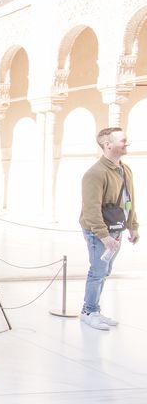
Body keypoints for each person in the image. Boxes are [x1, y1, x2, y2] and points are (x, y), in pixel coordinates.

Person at [79, 127, 139, 330]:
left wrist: (132, 226)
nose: (126, 143)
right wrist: (104, 237)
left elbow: (129, 200)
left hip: (116, 229)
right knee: (97, 271)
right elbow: (91, 210)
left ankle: (94, 308)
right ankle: (88, 312)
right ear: (108, 144)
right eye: (123, 140)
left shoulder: (125, 169)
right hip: (99, 232)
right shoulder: (95, 173)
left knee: (105, 271)